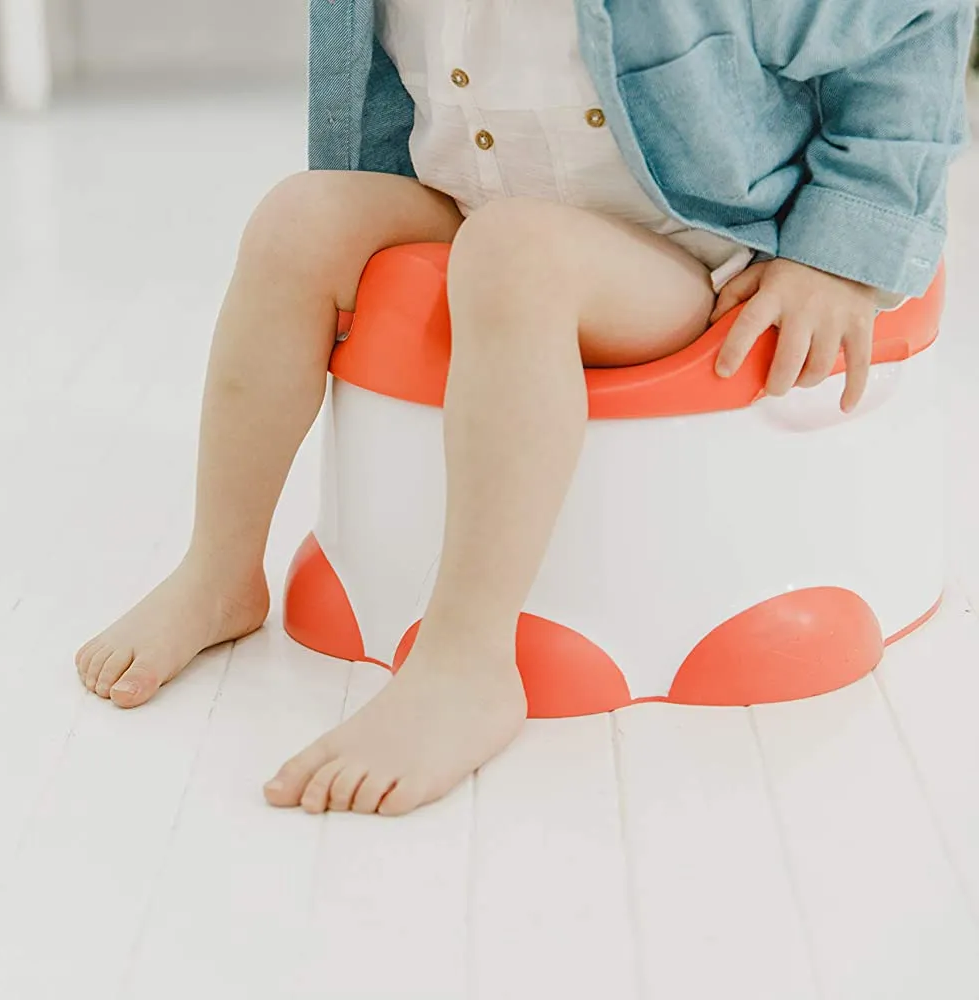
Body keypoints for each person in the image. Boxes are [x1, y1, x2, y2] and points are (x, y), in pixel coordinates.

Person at [75, 0, 973, 816]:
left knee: (514, 254)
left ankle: (467, 660)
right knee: (297, 219)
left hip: (691, 249)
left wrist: (847, 244)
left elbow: (911, 22)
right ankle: (220, 569)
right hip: (478, 209)